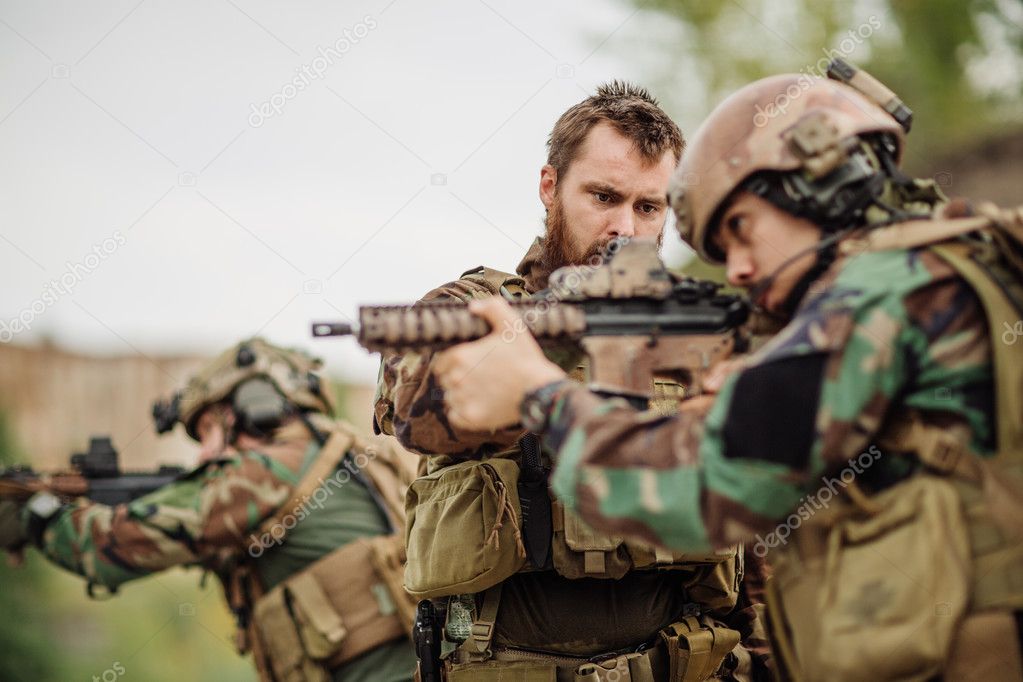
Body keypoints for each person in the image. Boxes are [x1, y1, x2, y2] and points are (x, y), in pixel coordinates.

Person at [433, 70, 1023, 681]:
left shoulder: (878, 301)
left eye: (739, 229)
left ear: (814, 189)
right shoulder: (974, 261)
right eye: (605, 198)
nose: (737, 271)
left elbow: (704, 491)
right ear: (550, 188)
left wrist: (541, 394)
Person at [376, 81, 768, 681]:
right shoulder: (481, 308)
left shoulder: (695, 329)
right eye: (604, 197)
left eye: (648, 207)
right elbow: (410, 408)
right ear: (549, 187)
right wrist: (548, 346)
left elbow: (757, 529)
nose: (624, 229)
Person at [0, 338, 419, 682]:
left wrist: (32, 516)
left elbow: (109, 546)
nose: (205, 452)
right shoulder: (353, 453)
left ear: (254, 408)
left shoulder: (265, 471)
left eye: (207, 430)